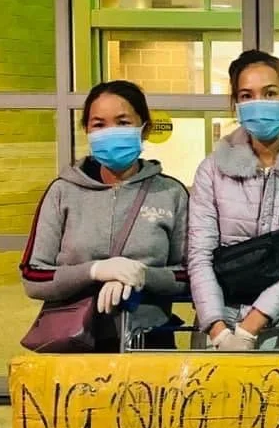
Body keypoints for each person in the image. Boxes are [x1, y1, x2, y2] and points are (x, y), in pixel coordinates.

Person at [20, 80, 189, 350]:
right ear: (87, 130)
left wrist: (142, 275)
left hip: (148, 339)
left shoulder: (171, 193)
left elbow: (190, 275)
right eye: (99, 124)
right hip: (74, 340)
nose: (111, 132)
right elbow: (33, 276)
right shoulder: (63, 191)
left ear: (144, 128)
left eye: (123, 122)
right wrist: (94, 271)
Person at [187, 49, 279, 351]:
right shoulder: (211, 170)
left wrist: (249, 329)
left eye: (270, 93)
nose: (258, 103)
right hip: (216, 331)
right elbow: (199, 254)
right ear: (236, 104)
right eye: (246, 95)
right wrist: (219, 331)